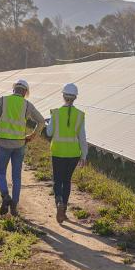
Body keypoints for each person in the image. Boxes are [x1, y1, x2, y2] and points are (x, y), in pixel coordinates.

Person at [0, 79, 45, 217]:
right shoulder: (27, 105)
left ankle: (5, 196)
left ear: (14, 90)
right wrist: (32, 136)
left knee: (0, 173)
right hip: (19, 145)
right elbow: (41, 121)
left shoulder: (4, 100)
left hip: (3, 144)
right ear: (25, 92)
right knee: (16, 176)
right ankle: (14, 206)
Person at [46, 83, 88, 224]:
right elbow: (82, 137)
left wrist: (49, 124)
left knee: (58, 180)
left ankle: (59, 202)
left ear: (63, 96)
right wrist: (84, 155)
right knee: (67, 181)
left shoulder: (56, 113)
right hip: (73, 154)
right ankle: (63, 211)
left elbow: (49, 132)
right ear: (75, 97)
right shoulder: (80, 115)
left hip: (58, 152)